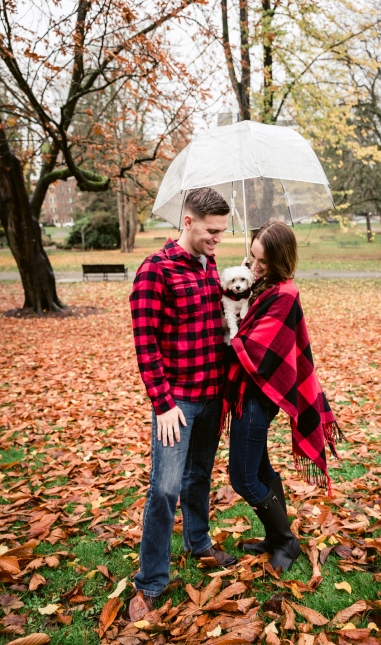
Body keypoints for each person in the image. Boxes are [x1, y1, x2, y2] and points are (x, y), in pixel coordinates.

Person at [128, 187, 238, 621]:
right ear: (187, 222)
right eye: (211, 231)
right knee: (165, 488)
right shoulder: (155, 270)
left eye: (222, 232)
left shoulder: (210, 265)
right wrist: (163, 403)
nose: (218, 240)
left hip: (212, 396)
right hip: (177, 404)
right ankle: (151, 581)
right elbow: (145, 342)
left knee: (198, 478)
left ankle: (198, 544)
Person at [222, 220, 342, 571]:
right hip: (250, 392)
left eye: (262, 263)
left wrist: (230, 336)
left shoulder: (284, 294)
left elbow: (258, 347)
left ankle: (286, 540)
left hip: (260, 396)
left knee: (242, 478)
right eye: (252, 258)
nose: (253, 267)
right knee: (259, 467)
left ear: (279, 261)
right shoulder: (261, 285)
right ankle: (275, 537)